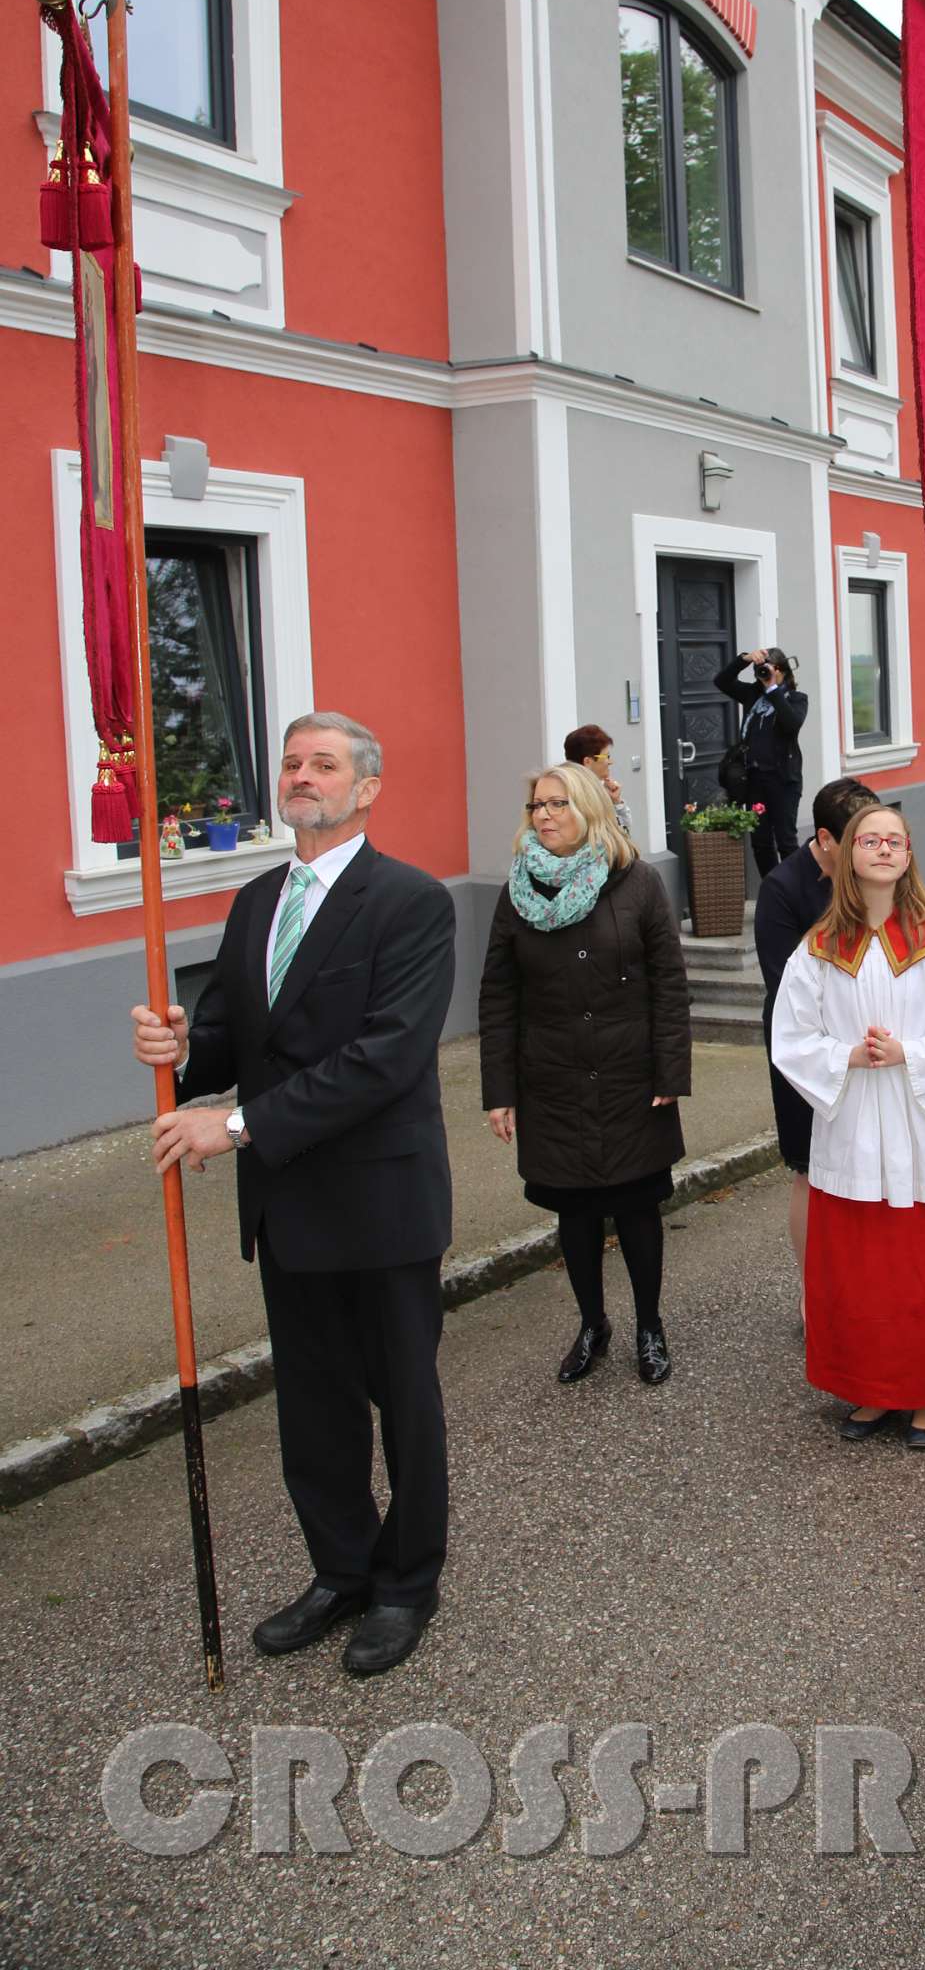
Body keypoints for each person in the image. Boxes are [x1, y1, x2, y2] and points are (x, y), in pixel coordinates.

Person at [131, 712, 456, 1678]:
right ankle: (340, 1569)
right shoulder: (255, 901)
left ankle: (406, 1586)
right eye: (291, 762)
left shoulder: (410, 902)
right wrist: (184, 1051)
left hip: (381, 1204)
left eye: (325, 764)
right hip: (289, 1208)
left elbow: (384, 1059)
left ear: (366, 790)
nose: (303, 775)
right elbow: (237, 1044)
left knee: (403, 1403)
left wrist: (232, 1127)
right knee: (311, 1410)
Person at [771, 803, 925, 1450]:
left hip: (921, 1131)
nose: (885, 849)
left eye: (896, 840)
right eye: (871, 840)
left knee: (922, 1274)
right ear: (846, 854)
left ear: (909, 853)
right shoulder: (817, 948)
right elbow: (790, 1038)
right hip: (854, 1129)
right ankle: (867, 1390)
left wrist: (907, 1055)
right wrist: (846, 1056)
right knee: (859, 1276)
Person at [478, 763, 690, 1387]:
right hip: (552, 1079)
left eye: (557, 804)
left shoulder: (639, 881)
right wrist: (499, 1091)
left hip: (631, 1076)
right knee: (573, 1212)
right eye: (537, 805)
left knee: (637, 1206)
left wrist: (670, 1069)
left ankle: (650, 1326)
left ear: (591, 808)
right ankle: (593, 1323)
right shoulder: (518, 891)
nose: (543, 816)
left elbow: (670, 986)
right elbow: (497, 996)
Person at [752, 775, 880, 1294]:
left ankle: (863, 1283)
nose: (869, 852)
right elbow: (787, 989)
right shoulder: (782, 889)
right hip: (808, 1055)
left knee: (869, 1162)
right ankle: (813, 1292)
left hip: (873, 1046)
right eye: (858, 843)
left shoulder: (877, 874)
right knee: (810, 1170)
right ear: (825, 840)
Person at [714, 647, 808, 876]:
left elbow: (791, 724)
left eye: (766, 669)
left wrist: (773, 688)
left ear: (782, 671)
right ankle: (773, 890)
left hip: (783, 780)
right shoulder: (751, 695)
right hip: (755, 781)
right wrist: (745, 660)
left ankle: (796, 892)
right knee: (760, 842)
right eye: (759, 670)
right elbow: (721, 681)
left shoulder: (796, 699)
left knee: (786, 841)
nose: (762, 673)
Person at [563, 723, 632, 833]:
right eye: (606, 756)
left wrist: (617, 802)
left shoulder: (599, 789)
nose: (610, 762)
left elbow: (624, 830)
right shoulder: (573, 797)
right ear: (588, 762)